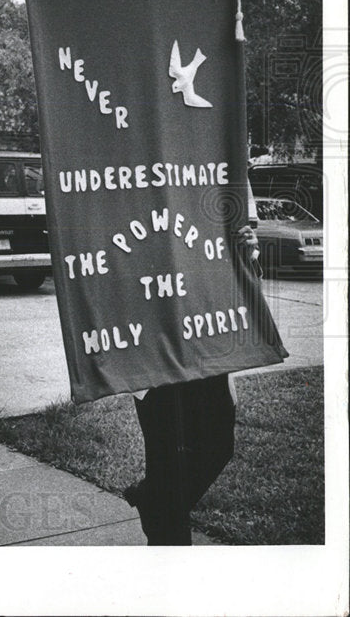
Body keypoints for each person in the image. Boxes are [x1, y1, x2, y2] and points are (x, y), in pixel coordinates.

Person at [123, 224, 261, 545]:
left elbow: (243, 284)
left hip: (206, 348)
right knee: (168, 462)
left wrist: (244, 252)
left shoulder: (206, 194)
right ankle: (168, 554)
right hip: (156, 357)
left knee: (218, 446)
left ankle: (153, 501)